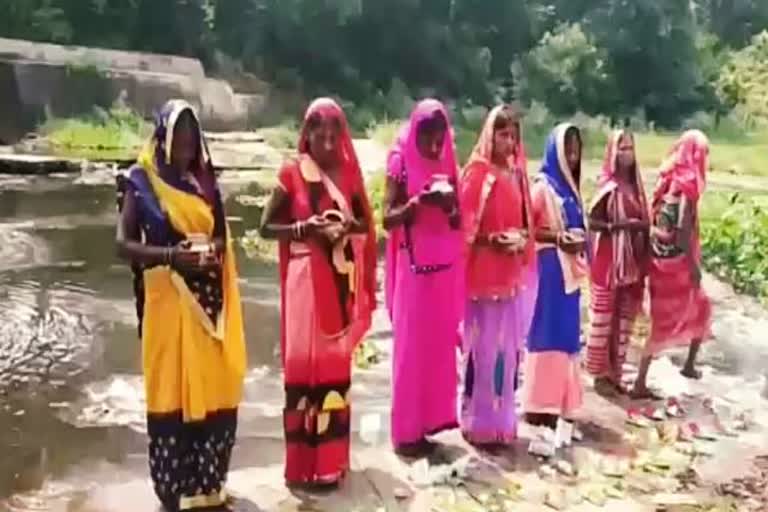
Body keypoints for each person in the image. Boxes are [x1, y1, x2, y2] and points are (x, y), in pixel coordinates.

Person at [116, 99, 247, 511]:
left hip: (209, 309)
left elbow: (223, 236)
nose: (186, 149)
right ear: (163, 139)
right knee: (172, 390)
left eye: (192, 141)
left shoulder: (205, 182)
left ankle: (209, 484)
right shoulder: (142, 181)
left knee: (212, 388)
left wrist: (210, 251)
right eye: (179, 141)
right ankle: (175, 491)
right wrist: (172, 256)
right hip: (167, 309)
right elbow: (124, 245)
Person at [259, 98, 377, 487]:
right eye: (319, 134)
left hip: (338, 281)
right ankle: (300, 465)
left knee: (331, 369)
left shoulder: (348, 174)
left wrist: (344, 227)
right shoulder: (293, 173)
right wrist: (305, 229)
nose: (327, 142)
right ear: (306, 135)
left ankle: (328, 464)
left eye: (333, 135)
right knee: (300, 366)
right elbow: (265, 226)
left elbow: (363, 223)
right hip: (303, 281)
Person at [383, 99, 463, 458]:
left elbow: (460, 219)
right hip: (413, 267)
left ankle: (432, 422)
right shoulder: (400, 161)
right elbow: (387, 217)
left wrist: (447, 207)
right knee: (410, 351)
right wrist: (415, 205)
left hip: (442, 267)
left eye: (439, 138)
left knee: (437, 348)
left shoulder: (448, 160)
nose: (433, 146)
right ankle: (406, 432)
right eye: (428, 138)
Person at [458, 105, 538, 449]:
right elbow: (462, 231)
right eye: (502, 133)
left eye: (513, 135)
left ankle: (502, 423)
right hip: (482, 279)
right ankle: (476, 423)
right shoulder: (477, 175)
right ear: (490, 134)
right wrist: (493, 240)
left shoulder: (518, 175)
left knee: (507, 353)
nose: (508, 141)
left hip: (510, 276)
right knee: (481, 351)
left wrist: (520, 239)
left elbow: (526, 223)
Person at [631, 130, 712, 399]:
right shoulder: (687, 186)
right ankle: (641, 382)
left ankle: (687, 365)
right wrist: (694, 267)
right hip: (676, 264)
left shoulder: (667, 178)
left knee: (677, 313)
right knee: (692, 310)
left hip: (659, 260)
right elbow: (683, 232)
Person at [523, 123, 588, 456]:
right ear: (556, 152)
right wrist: (558, 239)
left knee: (566, 336)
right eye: (568, 150)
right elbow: (526, 230)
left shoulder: (571, 189)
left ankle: (562, 401)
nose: (573, 156)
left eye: (577, 150)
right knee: (546, 333)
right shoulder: (542, 188)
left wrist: (578, 241)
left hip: (568, 275)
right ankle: (538, 404)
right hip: (548, 271)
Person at [587, 130, 651, 396]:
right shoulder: (607, 185)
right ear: (612, 153)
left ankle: (616, 371)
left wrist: (642, 227)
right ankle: (600, 374)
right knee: (604, 317)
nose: (626, 154)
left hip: (632, 261)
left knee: (624, 317)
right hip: (608, 260)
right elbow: (593, 221)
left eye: (630, 148)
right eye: (622, 148)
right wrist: (621, 226)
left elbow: (646, 219)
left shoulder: (636, 186)